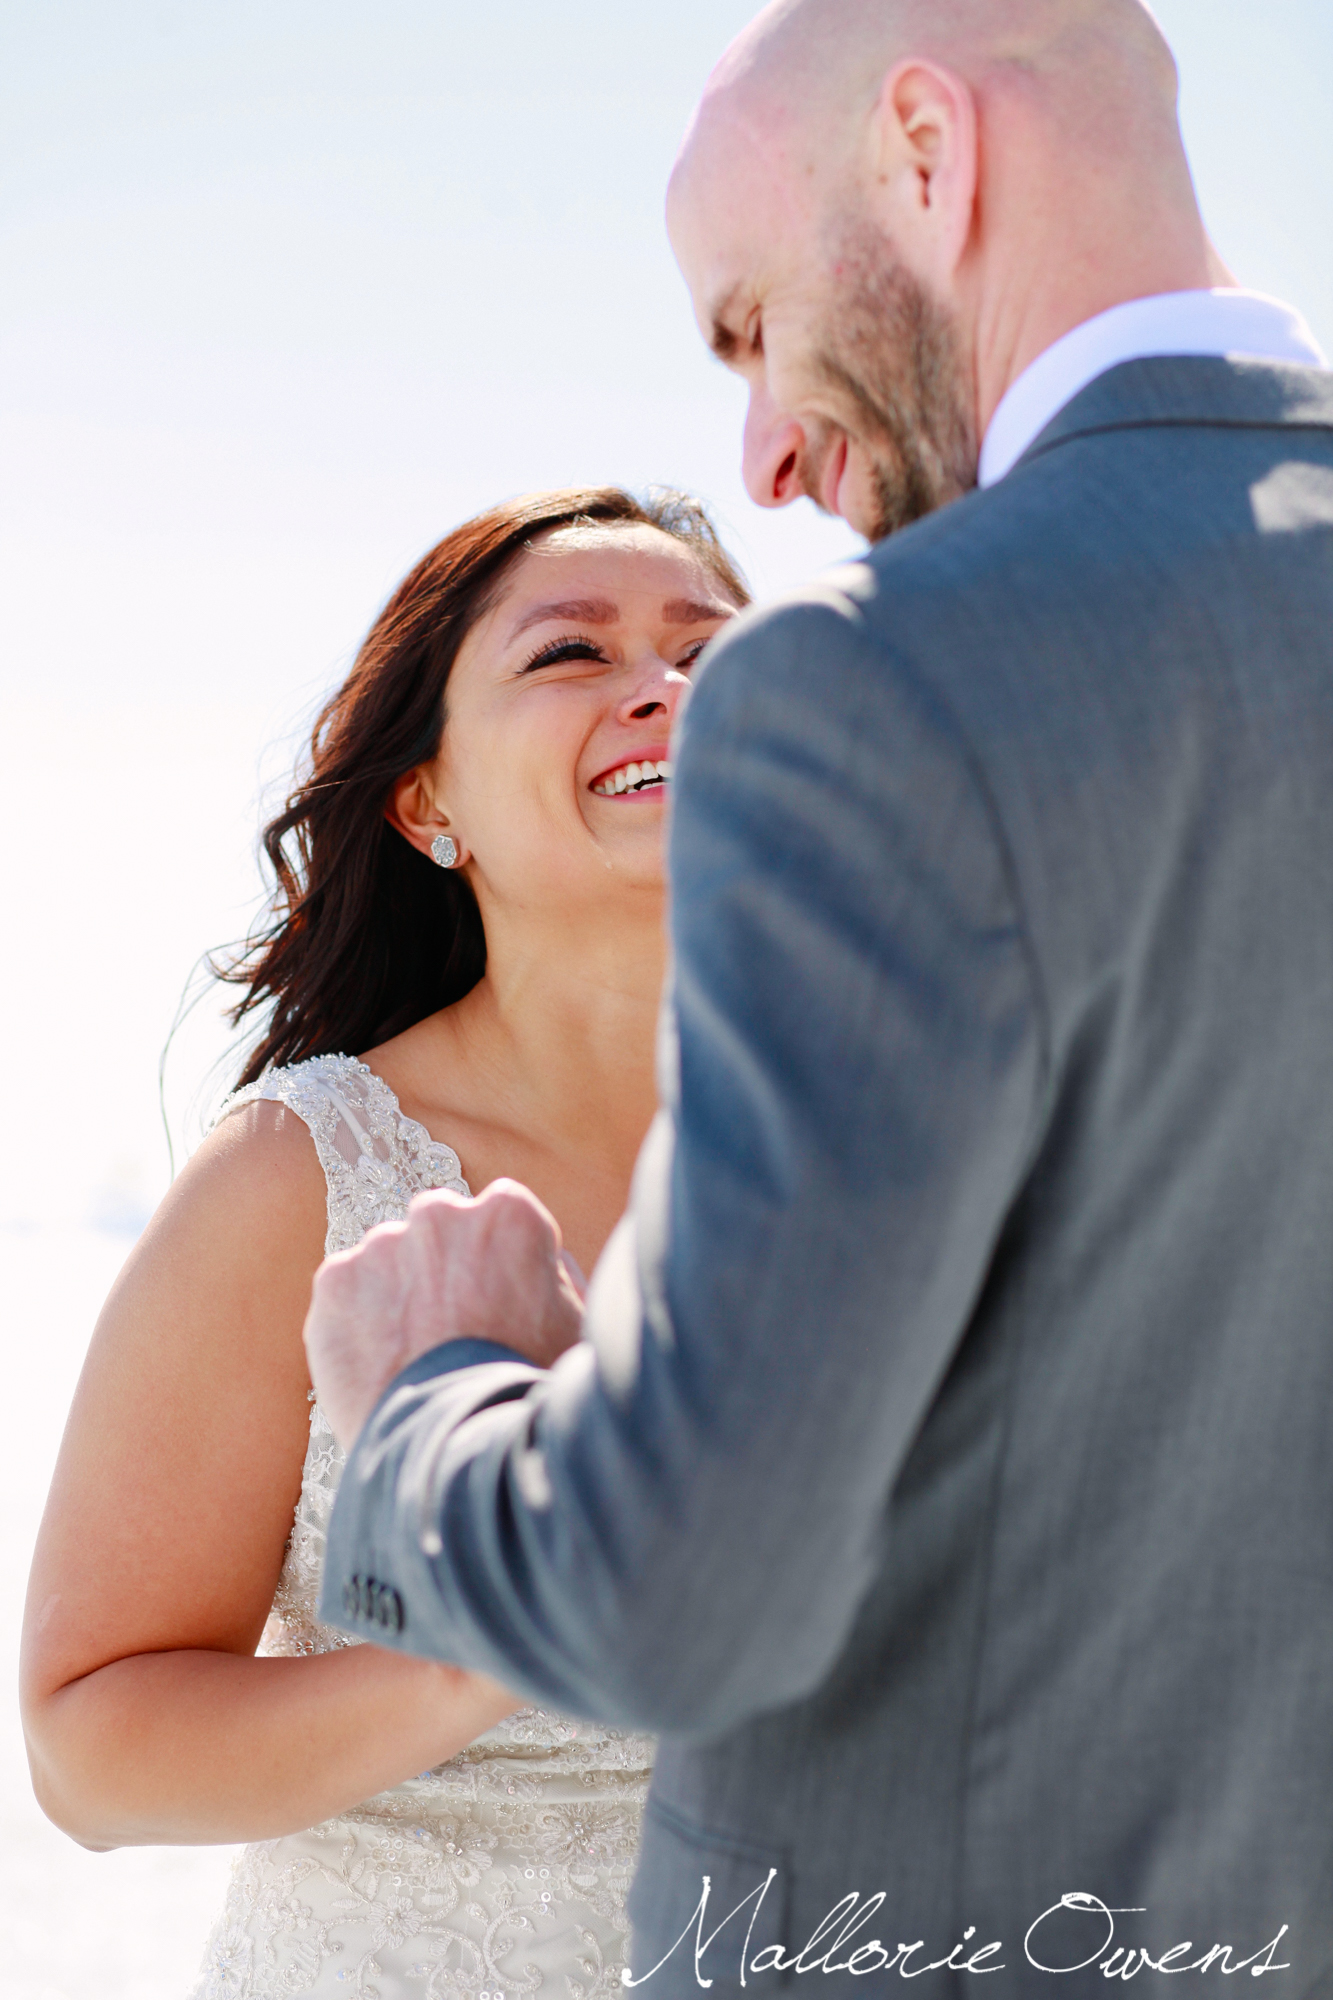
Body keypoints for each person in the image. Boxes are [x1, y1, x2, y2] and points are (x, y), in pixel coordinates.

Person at [299, 2, 1333, 1994]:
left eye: (750, 323)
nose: (761, 456)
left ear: (928, 153)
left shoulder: (883, 681)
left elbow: (683, 1587)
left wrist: (432, 1406)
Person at [20, 486, 749, 1999]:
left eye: (710, 649)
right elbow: (95, 1752)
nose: (662, 687)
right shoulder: (299, 1178)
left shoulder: (919, 1131)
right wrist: (509, 1631)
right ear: (428, 805)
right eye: (569, 653)